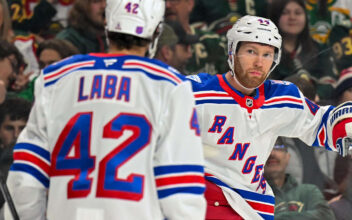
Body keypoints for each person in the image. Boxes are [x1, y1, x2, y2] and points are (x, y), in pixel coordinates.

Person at [4, 0, 206, 219]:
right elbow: (179, 191)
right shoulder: (171, 86)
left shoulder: (55, 78)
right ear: (157, 31)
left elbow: (27, 177)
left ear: (107, 24)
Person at [186, 15, 352, 219]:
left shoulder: (280, 97)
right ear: (232, 52)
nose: (259, 62)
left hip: (251, 208)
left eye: (267, 54)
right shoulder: (197, 92)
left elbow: (320, 122)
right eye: (251, 51)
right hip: (203, 200)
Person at [268, 0, 337, 101]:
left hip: (316, 105)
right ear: (275, 16)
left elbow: (330, 81)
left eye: (298, 13)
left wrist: (316, 97)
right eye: (285, 13)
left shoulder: (318, 48)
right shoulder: (267, 50)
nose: (292, 17)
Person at [263, 137, 335, 219]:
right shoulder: (254, 197)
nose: (272, 153)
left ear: (288, 157)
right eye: (267, 149)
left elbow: (326, 216)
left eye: (278, 147)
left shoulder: (308, 191)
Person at [165, 0, 228, 75]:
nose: (167, 5)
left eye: (174, 1)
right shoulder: (151, 46)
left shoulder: (213, 42)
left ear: (190, 4)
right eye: (163, 1)